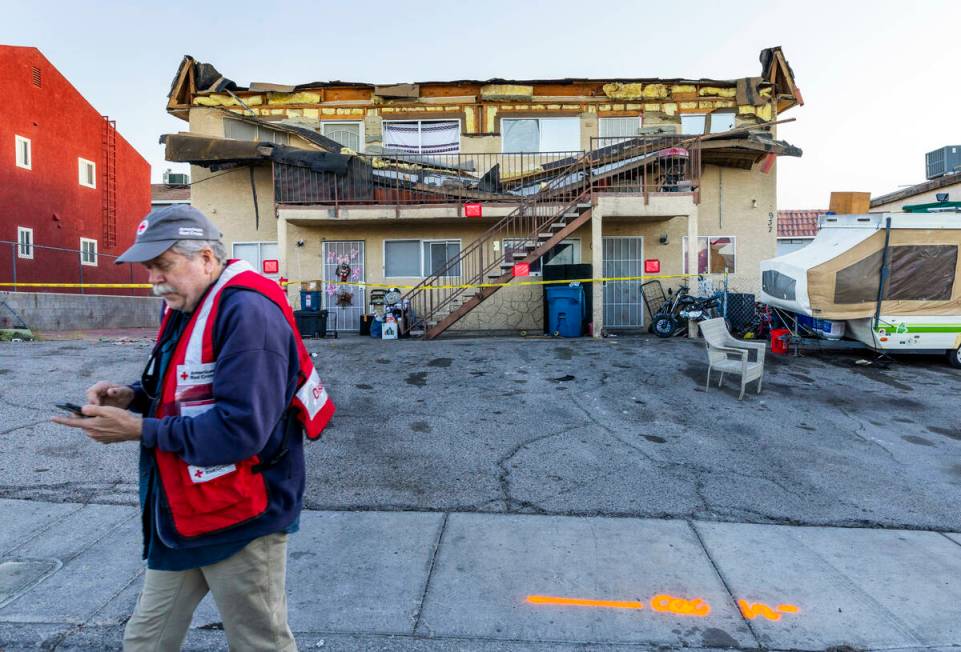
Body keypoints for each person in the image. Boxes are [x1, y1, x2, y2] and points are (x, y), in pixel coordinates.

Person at [52, 205, 334, 651]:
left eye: (162, 266)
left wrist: (138, 429)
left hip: (243, 514)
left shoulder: (247, 314)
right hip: (186, 510)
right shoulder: (190, 301)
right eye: (148, 268)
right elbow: (188, 386)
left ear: (206, 257)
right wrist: (133, 396)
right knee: (147, 639)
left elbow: (240, 432)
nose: (152, 280)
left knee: (260, 643)